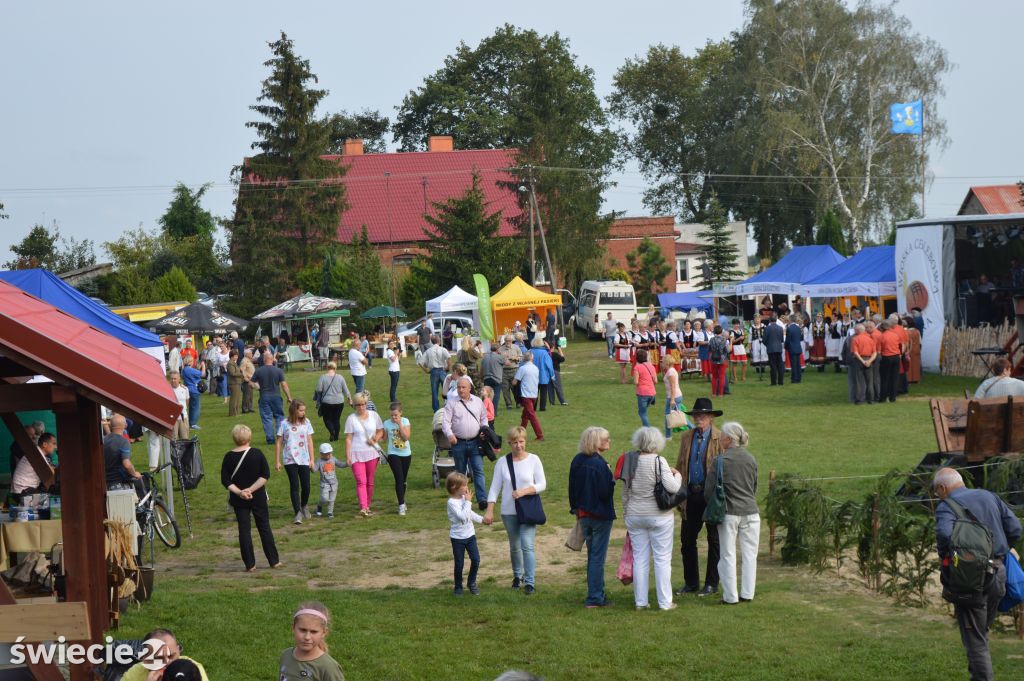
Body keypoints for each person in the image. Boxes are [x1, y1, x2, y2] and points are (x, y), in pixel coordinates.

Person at [933, 467, 1022, 681]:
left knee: (975, 638)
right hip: (999, 573)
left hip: (971, 580)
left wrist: (967, 557)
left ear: (942, 488)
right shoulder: (989, 496)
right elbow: (1015, 528)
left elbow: (945, 536)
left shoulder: (947, 506)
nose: (938, 496)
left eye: (937, 492)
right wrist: (999, 549)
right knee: (980, 632)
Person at [618, 426, 683, 611]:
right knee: (662, 559)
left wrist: (626, 512)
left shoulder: (630, 459)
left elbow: (625, 492)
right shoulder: (658, 461)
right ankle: (664, 602)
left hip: (635, 514)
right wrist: (677, 475)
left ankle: (641, 602)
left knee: (640, 559)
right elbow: (672, 487)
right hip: (659, 516)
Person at [484, 426, 547, 595]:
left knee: (527, 545)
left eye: (521, 442)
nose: (518, 446)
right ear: (509, 443)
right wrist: (490, 510)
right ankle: (517, 576)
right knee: (514, 546)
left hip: (527, 510)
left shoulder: (534, 459)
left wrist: (524, 491)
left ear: (525, 441)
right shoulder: (502, 462)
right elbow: (494, 488)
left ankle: (530, 581)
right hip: (508, 511)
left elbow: (542, 484)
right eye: (514, 443)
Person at [675, 397, 724, 597]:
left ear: (711, 417)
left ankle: (712, 583)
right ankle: (691, 582)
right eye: (696, 415)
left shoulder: (721, 438)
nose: (698, 418)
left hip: (711, 496)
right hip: (691, 494)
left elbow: (724, 468)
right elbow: (680, 465)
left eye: (702, 415)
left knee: (714, 540)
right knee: (687, 540)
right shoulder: (687, 437)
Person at [707, 421, 759, 605]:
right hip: (751, 512)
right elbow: (754, 486)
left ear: (729, 439)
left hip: (729, 512)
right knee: (750, 555)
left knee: (727, 555)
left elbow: (709, 489)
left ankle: (730, 597)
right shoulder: (751, 458)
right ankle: (747, 593)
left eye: (722, 436)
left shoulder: (720, 461)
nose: (719, 438)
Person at [221, 424, 281, 572]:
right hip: (258, 496)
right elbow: (265, 475)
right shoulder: (257, 453)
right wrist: (251, 489)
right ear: (250, 437)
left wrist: (240, 492)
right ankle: (274, 561)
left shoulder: (228, 456)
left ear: (234, 438)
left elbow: (226, 480)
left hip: (238, 499)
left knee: (244, 530)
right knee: (264, 527)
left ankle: (250, 564)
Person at [568, 427, 615, 608]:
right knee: (597, 557)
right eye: (606, 438)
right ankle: (595, 597)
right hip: (600, 516)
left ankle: (596, 593)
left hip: (583, 515)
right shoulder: (600, 465)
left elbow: (571, 488)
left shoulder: (577, 460)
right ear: (597, 442)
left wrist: (576, 509)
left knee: (592, 555)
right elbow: (605, 493)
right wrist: (609, 476)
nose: (609, 440)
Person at [442, 377, 489, 508]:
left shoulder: (478, 401)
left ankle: (482, 500)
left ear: (470, 388)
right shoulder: (451, 403)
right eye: (459, 387)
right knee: (460, 474)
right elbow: (445, 422)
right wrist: (450, 435)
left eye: (463, 387)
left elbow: (484, 418)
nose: (461, 390)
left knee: (478, 470)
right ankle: (462, 500)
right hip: (458, 443)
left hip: (475, 442)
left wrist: (484, 430)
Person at [279, 602, 345, 681]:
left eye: (314, 632)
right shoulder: (286, 655)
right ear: (293, 628)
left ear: (324, 632)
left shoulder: (328, 667)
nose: (307, 637)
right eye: (302, 630)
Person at [344, 392, 385, 518]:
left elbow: (380, 430)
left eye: (363, 404)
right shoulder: (351, 419)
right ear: (354, 406)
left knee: (370, 481)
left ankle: (367, 505)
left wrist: (375, 439)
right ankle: (363, 507)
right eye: (358, 405)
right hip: (356, 453)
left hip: (372, 453)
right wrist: (348, 456)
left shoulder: (374, 415)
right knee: (361, 481)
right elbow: (348, 439)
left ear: (366, 404)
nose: (361, 407)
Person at [276, 399, 316, 525]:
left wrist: (312, 459)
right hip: (289, 459)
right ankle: (297, 512)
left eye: (304, 410)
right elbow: (278, 443)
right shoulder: (284, 424)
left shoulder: (307, 423)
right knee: (294, 486)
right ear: (294, 410)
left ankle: (304, 505)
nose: (303, 413)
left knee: (306, 486)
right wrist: (277, 461)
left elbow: (310, 441)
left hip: (304, 458)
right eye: (301, 410)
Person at [121, 628, 209, 681]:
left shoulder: (192, 670)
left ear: (178, 651)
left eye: (171, 656)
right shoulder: (134, 675)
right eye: (159, 658)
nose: (167, 663)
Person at [446, 471, 484, 596]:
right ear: (454, 487)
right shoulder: (451, 502)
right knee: (459, 563)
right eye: (464, 485)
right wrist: (468, 502)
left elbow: (469, 513)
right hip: (457, 538)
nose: (467, 488)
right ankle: (458, 587)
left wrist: (482, 519)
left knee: (476, 559)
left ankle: (471, 582)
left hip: (470, 535)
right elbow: (462, 516)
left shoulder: (463, 498)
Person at [251, 352, 292, 446]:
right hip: (276, 397)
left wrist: (257, 386)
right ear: (272, 360)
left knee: (267, 418)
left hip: (264, 397)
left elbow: (251, 383)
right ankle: (280, 437)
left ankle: (270, 439)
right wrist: (289, 397)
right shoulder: (278, 371)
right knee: (279, 417)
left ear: (264, 360)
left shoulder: (258, 371)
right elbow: (284, 385)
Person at [103, 415, 144, 497]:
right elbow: (127, 464)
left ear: (110, 425)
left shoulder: (104, 439)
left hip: (105, 483)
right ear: (125, 425)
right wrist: (135, 474)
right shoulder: (123, 441)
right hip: (119, 484)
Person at [383, 401, 412, 516]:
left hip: (406, 454)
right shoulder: (386, 423)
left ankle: (402, 501)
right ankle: (401, 505)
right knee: (399, 478)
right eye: (391, 415)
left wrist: (399, 424)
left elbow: (406, 438)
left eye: (396, 415)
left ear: (401, 413)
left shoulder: (405, 421)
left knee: (403, 480)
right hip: (393, 453)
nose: (393, 417)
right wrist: (374, 439)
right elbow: (384, 439)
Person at [315, 362, 352, 443]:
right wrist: (349, 399)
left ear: (327, 368)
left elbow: (319, 390)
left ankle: (332, 431)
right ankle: (336, 437)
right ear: (335, 369)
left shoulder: (322, 377)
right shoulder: (340, 377)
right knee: (336, 419)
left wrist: (317, 400)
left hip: (327, 402)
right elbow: (345, 389)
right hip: (339, 401)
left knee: (327, 419)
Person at [513, 351, 543, 441]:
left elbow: (514, 382)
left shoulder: (523, 368)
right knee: (525, 416)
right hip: (534, 394)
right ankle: (520, 434)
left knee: (531, 415)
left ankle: (540, 435)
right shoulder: (536, 368)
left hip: (526, 395)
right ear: (532, 358)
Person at [849, 324, 877, 404]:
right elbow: (874, 352)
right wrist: (869, 361)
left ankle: (859, 399)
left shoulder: (855, 339)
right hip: (869, 359)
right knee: (869, 381)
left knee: (859, 381)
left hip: (859, 361)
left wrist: (862, 361)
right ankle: (871, 399)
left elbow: (855, 352)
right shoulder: (870, 339)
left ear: (857, 331)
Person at [422, 335, 451, 412]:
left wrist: (426, 370)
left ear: (431, 341)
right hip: (442, 370)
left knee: (434, 391)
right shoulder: (442, 349)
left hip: (433, 371)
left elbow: (422, 363)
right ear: (439, 341)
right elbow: (449, 359)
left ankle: (436, 410)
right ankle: (448, 407)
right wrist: (448, 368)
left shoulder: (428, 351)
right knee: (447, 390)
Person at [315, 442, 343, 518]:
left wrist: (347, 464)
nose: (328, 455)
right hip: (325, 484)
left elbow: (340, 464)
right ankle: (319, 506)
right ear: (321, 454)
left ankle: (330, 512)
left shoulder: (333, 459)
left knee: (332, 499)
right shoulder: (319, 461)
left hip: (334, 483)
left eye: (329, 453)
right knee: (324, 498)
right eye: (326, 454)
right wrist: (310, 466)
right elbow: (314, 469)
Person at [877, 320, 902, 403]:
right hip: (896, 357)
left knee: (885, 378)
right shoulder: (895, 335)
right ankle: (893, 397)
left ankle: (883, 397)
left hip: (886, 357)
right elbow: (899, 345)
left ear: (882, 328)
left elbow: (879, 350)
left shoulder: (881, 336)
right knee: (894, 378)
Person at [632, 349, 658, 427]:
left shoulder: (637, 367)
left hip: (643, 393)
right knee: (644, 411)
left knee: (642, 413)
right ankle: (645, 428)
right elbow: (655, 381)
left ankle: (648, 430)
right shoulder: (651, 366)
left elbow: (636, 382)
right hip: (652, 393)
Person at [480, 343, 507, 416]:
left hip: (486, 378)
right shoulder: (499, 357)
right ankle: (493, 412)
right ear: (498, 349)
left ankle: (483, 411)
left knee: (485, 394)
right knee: (495, 395)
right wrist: (504, 356)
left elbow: (481, 369)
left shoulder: (485, 357)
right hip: (496, 379)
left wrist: (481, 377)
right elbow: (508, 363)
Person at [661, 357, 684, 439]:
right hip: (675, 396)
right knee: (678, 415)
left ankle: (668, 436)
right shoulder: (670, 371)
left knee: (669, 416)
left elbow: (673, 387)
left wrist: (672, 399)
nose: (661, 364)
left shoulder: (671, 372)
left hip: (674, 396)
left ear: (667, 363)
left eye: (663, 362)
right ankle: (668, 436)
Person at [498, 334, 522, 408]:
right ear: (504, 341)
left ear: (512, 341)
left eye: (509, 340)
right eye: (506, 340)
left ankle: (518, 402)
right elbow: (498, 359)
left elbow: (521, 357)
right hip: (504, 371)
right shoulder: (500, 349)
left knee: (515, 388)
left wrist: (516, 358)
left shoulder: (516, 347)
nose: (508, 342)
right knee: (505, 389)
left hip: (514, 370)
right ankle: (508, 404)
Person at [181, 355, 203, 430]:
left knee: (191, 407)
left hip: (188, 389)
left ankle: (190, 423)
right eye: (192, 361)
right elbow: (201, 374)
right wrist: (203, 366)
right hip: (194, 390)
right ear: (190, 362)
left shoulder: (184, 370)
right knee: (196, 408)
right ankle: (193, 424)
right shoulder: (190, 370)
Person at [707, 326, 730, 397]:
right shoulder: (724, 340)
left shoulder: (711, 339)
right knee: (722, 376)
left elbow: (709, 349)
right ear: (721, 332)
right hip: (722, 359)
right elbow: (727, 350)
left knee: (714, 377)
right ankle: (720, 393)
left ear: (714, 331)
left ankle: (714, 393)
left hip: (713, 359)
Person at [763, 315, 785, 386]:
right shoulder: (780, 328)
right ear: (776, 320)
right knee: (780, 366)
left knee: (773, 366)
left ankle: (773, 382)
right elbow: (782, 340)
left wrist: (768, 345)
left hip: (771, 349)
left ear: (769, 321)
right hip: (778, 348)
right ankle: (780, 382)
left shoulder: (767, 328)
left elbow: (764, 340)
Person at [168, 371, 190, 439]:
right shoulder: (167, 389)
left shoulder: (185, 389)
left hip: (183, 418)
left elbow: (187, 401)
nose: (173, 380)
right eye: (171, 379)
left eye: (175, 378)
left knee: (185, 439)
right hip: (172, 419)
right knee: (173, 440)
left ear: (179, 379)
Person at [785, 314, 803, 384]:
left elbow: (788, 340)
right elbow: (800, 338)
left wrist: (786, 347)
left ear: (790, 320)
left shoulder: (789, 328)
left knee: (793, 365)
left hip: (792, 348)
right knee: (798, 364)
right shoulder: (798, 327)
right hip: (798, 347)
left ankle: (794, 379)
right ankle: (799, 378)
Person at [904, 315, 922, 384]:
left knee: (909, 365)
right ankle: (916, 379)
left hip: (909, 349)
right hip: (917, 349)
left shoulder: (907, 332)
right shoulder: (917, 331)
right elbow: (920, 341)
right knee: (916, 365)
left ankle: (909, 379)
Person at [549, 341, 568, 406]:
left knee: (550, 387)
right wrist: (560, 350)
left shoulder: (546, 354)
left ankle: (552, 402)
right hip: (555, 371)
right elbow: (562, 359)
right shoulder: (554, 354)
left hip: (548, 372)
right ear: (553, 347)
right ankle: (562, 401)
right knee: (558, 386)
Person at [226, 349, 243, 416]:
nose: (236, 357)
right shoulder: (230, 363)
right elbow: (232, 373)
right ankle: (232, 413)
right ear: (231, 356)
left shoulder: (234, 363)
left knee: (237, 398)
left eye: (237, 356)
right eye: (235, 356)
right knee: (234, 399)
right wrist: (241, 374)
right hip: (233, 383)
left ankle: (236, 412)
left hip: (237, 383)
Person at [240, 349, 256, 414]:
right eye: (250, 353)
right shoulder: (244, 361)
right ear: (247, 354)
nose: (252, 354)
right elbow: (242, 370)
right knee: (246, 395)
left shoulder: (248, 360)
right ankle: (245, 408)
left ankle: (250, 408)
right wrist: (246, 378)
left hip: (251, 380)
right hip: (247, 381)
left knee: (250, 395)